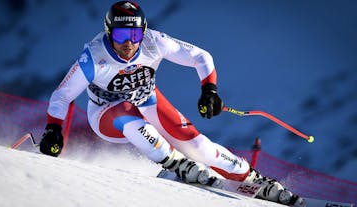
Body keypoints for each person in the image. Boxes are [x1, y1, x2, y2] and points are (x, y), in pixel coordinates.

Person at [39, 1, 304, 206]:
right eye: (121, 35)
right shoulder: (94, 57)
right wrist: (53, 129)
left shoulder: (154, 42)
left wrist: (209, 90)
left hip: (147, 100)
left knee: (199, 146)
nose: (129, 43)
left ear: (143, 32)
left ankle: (252, 178)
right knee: (127, 113)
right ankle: (175, 163)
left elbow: (202, 57)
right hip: (107, 116)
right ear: (109, 33)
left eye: (134, 34)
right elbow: (62, 95)